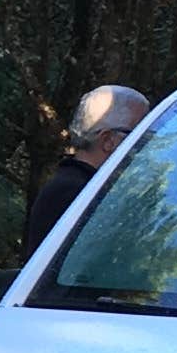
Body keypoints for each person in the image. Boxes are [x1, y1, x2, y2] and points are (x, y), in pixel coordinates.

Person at [19, 84, 149, 263]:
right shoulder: (76, 193)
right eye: (141, 136)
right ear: (108, 140)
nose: (146, 146)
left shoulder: (81, 186)